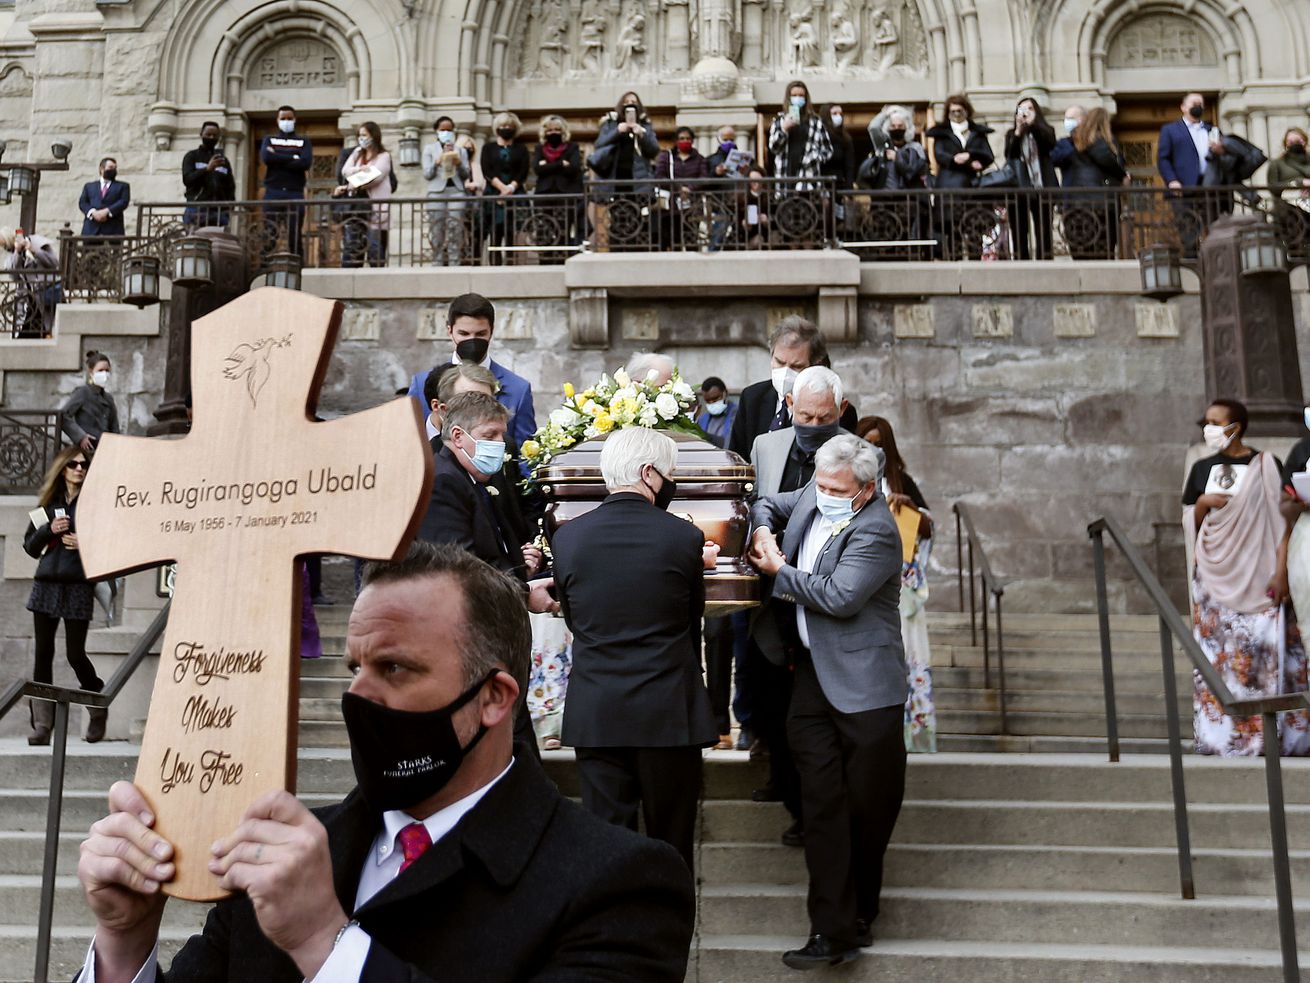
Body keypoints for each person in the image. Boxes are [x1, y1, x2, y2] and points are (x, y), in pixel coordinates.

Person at [75, 541, 696, 982]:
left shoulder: (618, 883)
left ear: (494, 698)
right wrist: (124, 945)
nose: (357, 696)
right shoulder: (280, 852)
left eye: (394, 668)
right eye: (354, 668)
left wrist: (323, 940)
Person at [748, 432, 906, 968]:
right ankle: (830, 930)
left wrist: (778, 572)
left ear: (864, 490)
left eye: (835, 487)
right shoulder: (818, 489)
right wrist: (766, 530)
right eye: (819, 482)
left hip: (867, 687)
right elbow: (768, 499)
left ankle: (860, 913)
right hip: (812, 680)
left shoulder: (878, 530)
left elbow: (838, 596)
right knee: (821, 805)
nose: (823, 493)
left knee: (868, 809)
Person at [550, 428, 719, 873]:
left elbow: (573, 619)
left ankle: (614, 937)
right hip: (667, 712)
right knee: (672, 843)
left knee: (607, 846)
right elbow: (691, 618)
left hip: (598, 710)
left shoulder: (567, 538)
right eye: (669, 475)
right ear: (649, 474)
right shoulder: (684, 538)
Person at [748, 365, 851, 846]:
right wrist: (762, 534)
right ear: (790, 408)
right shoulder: (767, 446)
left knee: (817, 723)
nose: (813, 424)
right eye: (805, 415)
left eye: (823, 417)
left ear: (840, 413)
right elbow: (760, 502)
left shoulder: (857, 458)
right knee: (774, 710)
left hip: (827, 607)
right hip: (774, 608)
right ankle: (793, 800)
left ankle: (819, 812)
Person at [1183, 399, 1310, 756]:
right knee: (1216, 661)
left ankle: (1266, 738)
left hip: (1257, 575)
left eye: (1216, 422)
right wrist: (1204, 504)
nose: (1209, 429)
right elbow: (1190, 522)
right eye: (1206, 422)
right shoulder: (1200, 468)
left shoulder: (1265, 465)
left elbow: (1280, 521)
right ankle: (1219, 738)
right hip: (1214, 579)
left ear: (1236, 426)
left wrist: (1280, 569)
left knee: (1260, 659)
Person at [857, 416, 937, 753]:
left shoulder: (900, 480)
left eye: (879, 444)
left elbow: (929, 528)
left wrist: (911, 508)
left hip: (901, 587)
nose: (874, 450)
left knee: (908, 651)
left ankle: (913, 733)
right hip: (864, 582)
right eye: (867, 442)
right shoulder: (850, 482)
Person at [23, 445, 106, 745]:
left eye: (84, 465)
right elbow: (29, 546)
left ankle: (98, 708)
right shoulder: (45, 506)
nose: (79, 469)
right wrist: (48, 530)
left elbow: (112, 544)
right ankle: (42, 725)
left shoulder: (95, 504)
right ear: (62, 469)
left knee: (75, 655)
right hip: (45, 586)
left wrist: (85, 543)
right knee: (43, 655)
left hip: (77, 586)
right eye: (73, 465)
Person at [405, 293, 537, 452]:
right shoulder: (421, 384)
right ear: (450, 331)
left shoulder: (518, 389)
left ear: (491, 331)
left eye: (480, 334)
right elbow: (407, 441)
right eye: (464, 334)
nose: (472, 340)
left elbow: (526, 456)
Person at [727, 315, 857, 459]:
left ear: (815, 364)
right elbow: (737, 457)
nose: (785, 372)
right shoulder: (752, 398)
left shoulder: (833, 408)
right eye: (779, 362)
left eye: (797, 366)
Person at [925, 94, 994, 259]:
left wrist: (972, 157)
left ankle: (975, 262)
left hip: (972, 187)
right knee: (951, 228)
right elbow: (939, 155)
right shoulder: (942, 133)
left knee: (974, 228)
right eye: (952, 111)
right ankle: (955, 263)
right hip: (950, 186)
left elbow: (988, 155)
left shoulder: (977, 132)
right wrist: (955, 159)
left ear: (966, 111)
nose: (956, 114)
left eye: (959, 110)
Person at [1058, 107, 1127, 259]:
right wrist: (1122, 175)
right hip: (1095, 204)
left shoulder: (1082, 142)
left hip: (1083, 205)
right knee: (1100, 252)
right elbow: (1106, 159)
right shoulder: (1096, 142)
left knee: (1086, 253)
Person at [1157, 93, 1218, 256]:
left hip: (1209, 186)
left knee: (1213, 226)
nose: (1197, 106)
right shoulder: (1170, 130)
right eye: (1193, 103)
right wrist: (1172, 180)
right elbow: (1163, 159)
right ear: (1183, 107)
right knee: (1187, 228)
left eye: (1200, 103)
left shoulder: (1212, 129)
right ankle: (1192, 260)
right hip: (1182, 188)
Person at [1003, 97, 1057, 260]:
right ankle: (1021, 261)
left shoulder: (1046, 130)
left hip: (1042, 186)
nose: (1026, 113)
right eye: (1021, 109)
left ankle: (1045, 261)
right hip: (1019, 188)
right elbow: (1010, 155)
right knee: (1019, 229)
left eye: (1030, 109)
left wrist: (1034, 125)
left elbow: (1049, 146)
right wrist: (1019, 132)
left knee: (1044, 229)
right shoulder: (1012, 134)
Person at [334, 121, 393, 267]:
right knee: (352, 251)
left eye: (364, 135)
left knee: (375, 252)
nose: (361, 138)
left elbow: (374, 177)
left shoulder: (384, 156)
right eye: (359, 135)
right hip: (356, 209)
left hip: (375, 211)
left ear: (374, 136)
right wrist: (363, 170)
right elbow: (345, 171)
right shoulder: (357, 153)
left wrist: (356, 178)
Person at [260, 105, 313, 257]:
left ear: (295, 120)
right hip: (273, 192)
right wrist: (292, 158)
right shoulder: (269, 139)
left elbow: (305, 163)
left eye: (289, 118)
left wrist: (277, 156)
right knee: (270, 234)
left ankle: (298, 267)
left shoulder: (303, 141)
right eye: (283, 118)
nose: (286, 121)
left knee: (294, 235)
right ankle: (264, 269)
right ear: (277, 120)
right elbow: (266, 158)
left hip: (294, 193)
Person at [532, 114, 585, 261]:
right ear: (544, 132)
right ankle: (546, 259)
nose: (553, 133)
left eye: (557, 130)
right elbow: (537, 169)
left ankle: (563, 259)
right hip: (544, 195)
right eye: (550, 130)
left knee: (564, 229)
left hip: (566, 195)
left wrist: (548, 166)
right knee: (545, 229)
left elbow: (574, 168)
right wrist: (561, 164)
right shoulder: (539, 148)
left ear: (563, 132)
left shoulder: (572, 147)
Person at [767, 80, 833, 193]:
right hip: (785, 179)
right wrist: (784, 129)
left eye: (801, 95)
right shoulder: (779, 121)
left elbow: (827, 150)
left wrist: (814, 157)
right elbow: (773, 148)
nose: (798, 98)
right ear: (789, 98)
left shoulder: (816, 122)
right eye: (794, 95)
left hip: (808, 182)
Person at [482, 112, 530, 265]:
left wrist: (510, 188)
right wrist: (502, 188)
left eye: (509, 126)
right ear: (497, 128)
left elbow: (523, 171)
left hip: (515, 194)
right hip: (494, 195)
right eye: (503, 126)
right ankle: (494, 268)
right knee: (495, 235)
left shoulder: (521, 149)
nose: (506, 128)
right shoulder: (488, 148)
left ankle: (510, 266)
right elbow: (487, 170)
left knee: (512, 234)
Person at [423, 117, 472, 266]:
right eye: (443, 130)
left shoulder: (461, 150)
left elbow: (466, 175)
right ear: (436, 131)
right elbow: (427, 174)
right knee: (437, 229)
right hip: (437, 192)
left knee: (455, 228)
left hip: (456, 191)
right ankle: (437, 262)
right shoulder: (429, 149)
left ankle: (454, 262)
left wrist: (458, 163)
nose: (446, 133)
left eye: (449, 130)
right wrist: (437, 161)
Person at [653, 126, 710, 250]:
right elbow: (659, 177)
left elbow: (704, 178)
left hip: (692, 206)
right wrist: (678, 188)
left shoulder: (700, 159)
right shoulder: (666, 157)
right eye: (682, 138)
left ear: (693, 141)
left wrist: (690, 188)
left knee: (691, 240)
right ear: (676, 141)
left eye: (688, 138)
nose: (685, 141)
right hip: (670, 207)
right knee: (672, 240)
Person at [0, 227, 60, 337]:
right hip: (29, 300)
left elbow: (54, 263)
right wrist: (17, 252)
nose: (5, 248)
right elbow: (13, 275)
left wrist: (33, 250)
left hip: (46, 294)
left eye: (5, 245)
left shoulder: (38, 243)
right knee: (26, 334)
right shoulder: (13, 256)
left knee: (46, 329)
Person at [61, 350, 119, 453]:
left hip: (106, 450)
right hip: (87, 449)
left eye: (107, 371)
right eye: (100, 370)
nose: (104, 374)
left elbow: (114, 427)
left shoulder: (108, 398)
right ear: (91, 371)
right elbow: (63, 415)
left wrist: (115, 446)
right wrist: (80, 436)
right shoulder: (83, 392)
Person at [181, 121, 235, 228]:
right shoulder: (192, 156)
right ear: (201, 134)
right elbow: (187, 179)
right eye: (208, 134)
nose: (211, 137)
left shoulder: (223, 161)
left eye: (215, 135)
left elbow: (230, 186)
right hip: (197, 209)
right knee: (196, 242)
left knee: (219, 243)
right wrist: (207, 169)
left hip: (219, 212)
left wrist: (230, 206)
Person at [78, 157, 131, 237]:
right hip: (91, 229)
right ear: (102, 169)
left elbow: (123, 202)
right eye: (110, 168)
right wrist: (93, 213)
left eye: (115, 168)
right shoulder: (89, 186)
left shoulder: (123, 186)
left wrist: (107, 211)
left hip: (113, 230)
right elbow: (83, 202)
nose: (113, 170)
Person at [696, 376, 737, 449]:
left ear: (725, 393)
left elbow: (730, 442)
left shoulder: (736, 414)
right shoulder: (702, 419)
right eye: (708, 401)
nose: (712, 403)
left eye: (715, 399)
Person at [1050, 104, 1085, 183]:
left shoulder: (1093, 143)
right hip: (1070, 191)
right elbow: (1052, 159)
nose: (1067, 121)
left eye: (1071, 118)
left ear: (1082, 120)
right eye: (1066, 118)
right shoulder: (1064, 143)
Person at [739, 167, 771, 247]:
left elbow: (776, 220)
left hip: (766, 234)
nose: (755, 182)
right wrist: (744, 224)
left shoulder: (769, 197)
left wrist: (767, 221)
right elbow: (736, 222)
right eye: (752, 180)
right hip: (748, 237)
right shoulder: (742, 198)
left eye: (758, 180)